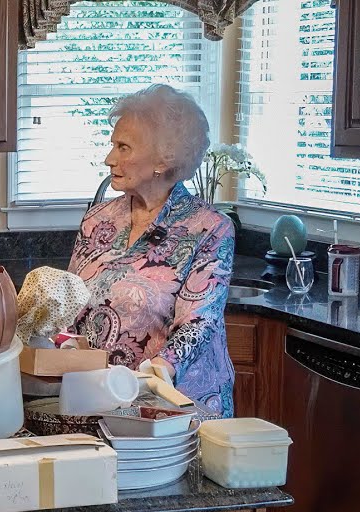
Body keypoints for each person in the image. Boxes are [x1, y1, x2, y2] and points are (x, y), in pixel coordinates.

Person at [69, 84, 236, 416]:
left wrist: (151, 377)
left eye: (123, 148)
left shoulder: (209, 228)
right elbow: (70, 303)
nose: (109, 158)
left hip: (174, 406)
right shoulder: (98, 220)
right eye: (112, 145)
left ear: (164, 158)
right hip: (98, 400)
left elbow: (199, 323)